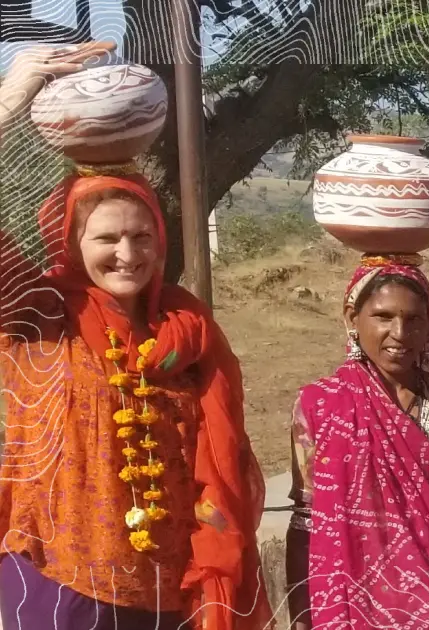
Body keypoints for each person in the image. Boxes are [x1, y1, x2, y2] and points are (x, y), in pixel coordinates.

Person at [0, 44, 272, 630]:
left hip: (170, 591)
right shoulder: (39, 316)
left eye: (142, 236)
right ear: (69, 243)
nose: (128, 254)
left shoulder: (189, 331)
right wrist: (7, 104)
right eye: (106, 239)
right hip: (59, 581)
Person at [284, 255, 429, 629]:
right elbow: (306, 520)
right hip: (356, 609)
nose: (400, 333)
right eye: (383, 316)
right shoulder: (320, 406)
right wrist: (300, 618)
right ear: (352, 319)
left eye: (414, 320)